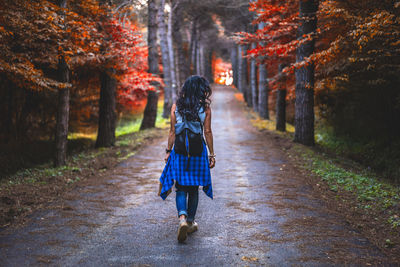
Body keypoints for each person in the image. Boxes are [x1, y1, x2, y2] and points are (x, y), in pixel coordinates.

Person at [159, 75, 215, 243]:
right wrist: (211, 154)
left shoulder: (177, 106)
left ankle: (182, 218)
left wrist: (168, 151)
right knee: (194, 188)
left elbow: (172, 132)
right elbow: (208, 132)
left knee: (181, 188)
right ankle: (190, 221)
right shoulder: (204, 108)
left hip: (180, 152)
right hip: (198, 153)